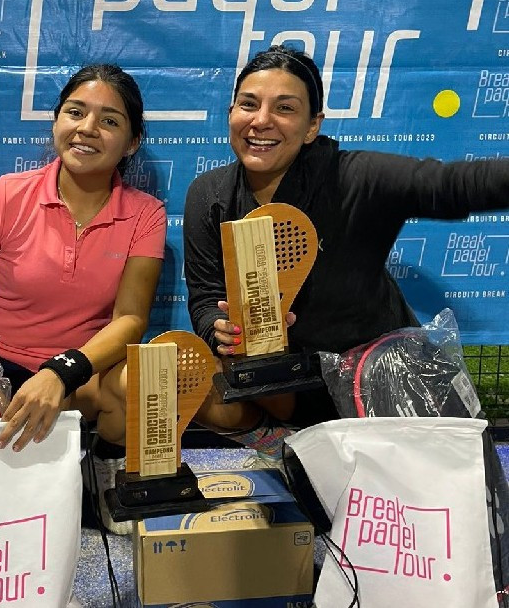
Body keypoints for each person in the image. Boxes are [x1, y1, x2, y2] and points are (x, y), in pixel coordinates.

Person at [183, 45, 509, 469]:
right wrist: (220, 330)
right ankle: (282, 448)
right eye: (249, 104)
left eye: (285, 108)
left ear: (312, 126)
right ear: (231, 113)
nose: (261, 120)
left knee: (423, 493)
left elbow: (448, 185)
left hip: (378, 383)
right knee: (185, 376)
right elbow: (205, 297)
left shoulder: (354, 178)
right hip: (282, 387)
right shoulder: (210, 194)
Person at [0, 63, 167, 533]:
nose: (87, 128)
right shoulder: (9, 194)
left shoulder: (146, 214)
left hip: (79, 374)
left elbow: (130, 319)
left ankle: (104, 477)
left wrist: (61, 372)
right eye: (75, 112)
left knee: (137, 383)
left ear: (132, 141)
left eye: (109, 120)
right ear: (56, 120)